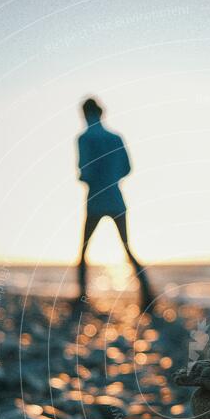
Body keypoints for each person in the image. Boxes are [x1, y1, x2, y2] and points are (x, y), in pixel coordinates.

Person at [76, 97, 153, 309]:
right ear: (101, 113)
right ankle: (148, 295)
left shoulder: (84, 138)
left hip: (96, 198)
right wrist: (112, 177)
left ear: (85, 114)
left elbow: (85, 170)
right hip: (116, 197)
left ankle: (81, 297)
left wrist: (87, 177)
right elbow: (128, 167)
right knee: (127, 248)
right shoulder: (115, 137)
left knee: (83, 250)